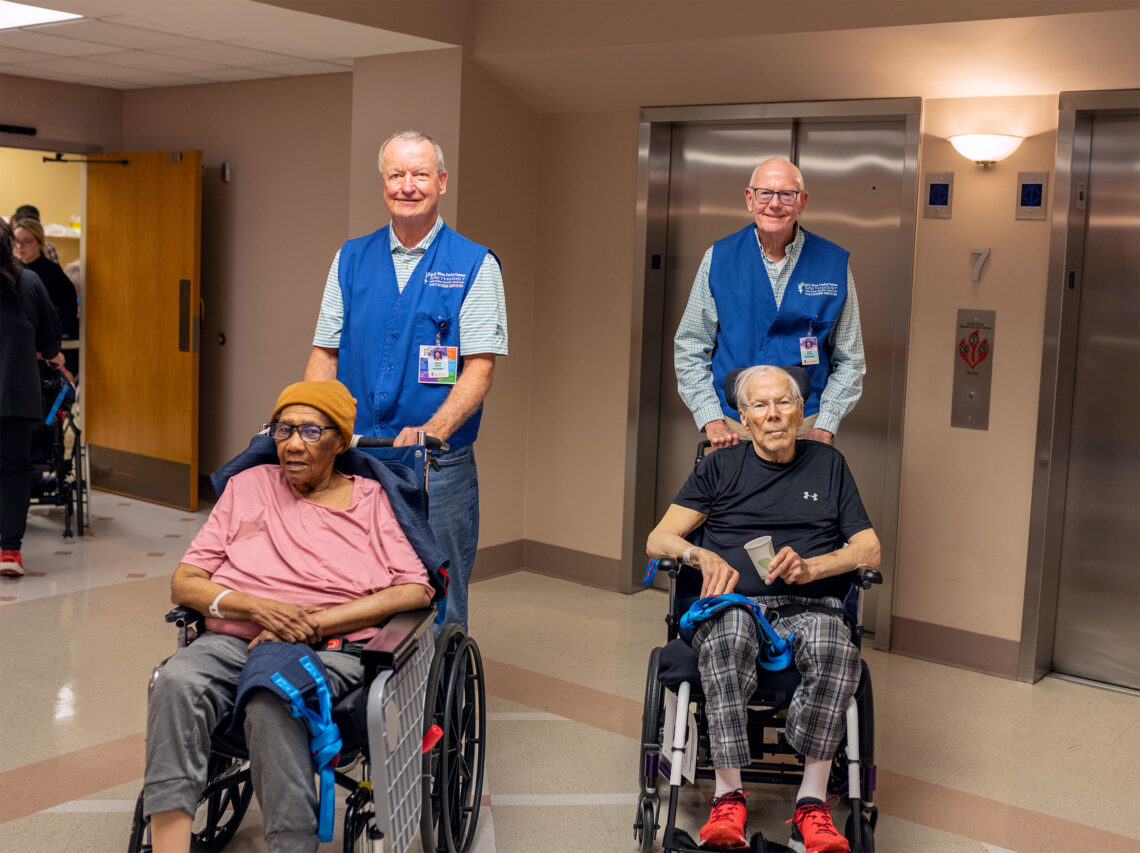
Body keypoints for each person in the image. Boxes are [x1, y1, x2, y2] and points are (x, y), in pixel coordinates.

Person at [143, 379, 442, 853]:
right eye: (283, 430)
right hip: (234, 639)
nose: (292, 445)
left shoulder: (370, 501)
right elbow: (186, 581)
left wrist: (316, 623)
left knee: (273, 698)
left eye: (310, 431)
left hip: (328, 648)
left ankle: (291, 844)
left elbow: (414, 588)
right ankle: (168, 846)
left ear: (340, 441)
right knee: (177, 681)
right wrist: (257, 607)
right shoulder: (246, 487)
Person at [647, 365, 881, 852]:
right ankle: (728, 797)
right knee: (729, 632)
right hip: (737, 605)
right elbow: (658, 539)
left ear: (800, 411)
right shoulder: (717, 467)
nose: (773, 415)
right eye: (760, 406)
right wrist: (698, 553)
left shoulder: (829, 465)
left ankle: (811, 805)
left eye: (783, 403)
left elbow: (869, 549)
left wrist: (814, 568)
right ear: (742, 419)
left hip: (809, 605)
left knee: (836, 645)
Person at [304, 129, 508, 630]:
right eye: (397, 174)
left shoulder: (473, 265)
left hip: (436, 465)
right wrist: (312, 421)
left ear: (441, 182)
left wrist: (432, 430)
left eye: (420, 174)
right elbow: (325, 353)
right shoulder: (350, 258)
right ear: (383, 183)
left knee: (439, 594)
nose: (408, 185)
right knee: (351, 582)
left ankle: (438, 704)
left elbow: (479, 366)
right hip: (357, 454)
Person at [674, 157, 866, 450]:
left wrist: (825, 426)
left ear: (802, 202)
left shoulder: (833, 264)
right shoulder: (718, 259)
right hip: (733, 427)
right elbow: (690, 345)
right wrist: (711, 419)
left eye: (786, 194)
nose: (774, 204)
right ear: (749, 199)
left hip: (804, 429)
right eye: (765, 193)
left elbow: (851, 360)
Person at [0, 220, 63, 577]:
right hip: (16, 394)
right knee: (12, 472)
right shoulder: (29, 282)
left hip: (15, 393)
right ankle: (10, 552)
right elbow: (50, 341)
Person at [12, 217, 79, 376]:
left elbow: (67, 311)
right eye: (16, 241)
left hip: (44, 350)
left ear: (39, 242)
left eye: (27, 241)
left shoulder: (53, 273)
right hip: (16, 345)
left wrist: (47, 338)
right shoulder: (10, 271)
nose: (20, 246)